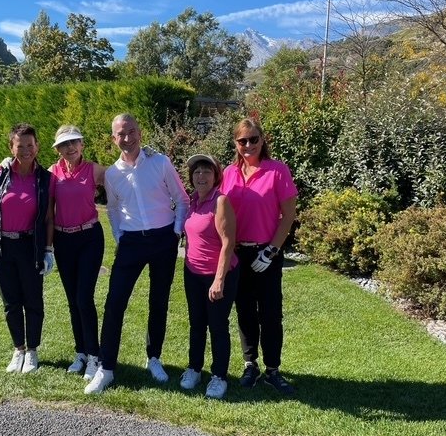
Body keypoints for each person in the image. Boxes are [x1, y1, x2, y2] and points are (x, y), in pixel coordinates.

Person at [84, 113, 190, 394]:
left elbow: (182, 199)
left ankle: (153, 358)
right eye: (121, 134)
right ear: (113, 138)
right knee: (114, 302)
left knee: (159, 300)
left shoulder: (160, 162)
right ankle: (106, 368)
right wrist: (120, 237)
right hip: (131, 242)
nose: (127, 138)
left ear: (140, 133)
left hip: (163, 239)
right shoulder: (112, 174)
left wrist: (176, 232)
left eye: (131, 131)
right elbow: (113, 209)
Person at [220, 117, 298, 395]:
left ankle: (272, 369)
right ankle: (250, 364)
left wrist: (271, 250)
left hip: (267, 252)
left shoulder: (277, 170)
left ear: (262, 140)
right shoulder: (228, 173)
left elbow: (289, 215)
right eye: (242, 140)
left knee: (270, 313)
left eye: (254, 139)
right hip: (238, 253)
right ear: (235, 143)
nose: (248, 145)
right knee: (244, 311)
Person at [0, 123, 54, 374]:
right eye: (20, 146)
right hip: (2, 247)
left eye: (30, 145)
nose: (26, 150)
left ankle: (32, 350)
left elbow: (49, 218)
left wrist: (48, 250)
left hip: (30, 246)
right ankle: (18, 349)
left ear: (37, 146)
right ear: (11, 147)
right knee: (11, 302)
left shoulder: (45, 178)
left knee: (33, 300)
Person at [48, 125, 106, 381]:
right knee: (73, 299)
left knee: (84, 297)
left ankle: (94, 355)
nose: (69, 148)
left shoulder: (94, 170)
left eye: (74, 142)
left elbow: (125, 176)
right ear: (58, 149)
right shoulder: (52, 173)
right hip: (63, 241)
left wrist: (144, 158)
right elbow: (47, 210)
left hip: (89, 238)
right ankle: (80, 352)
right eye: (64, 144)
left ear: (82, 144)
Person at [180, 154, 239, 400]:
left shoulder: (220, 201)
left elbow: (228, 243)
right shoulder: (193, 200)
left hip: (218, 274)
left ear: (216, 176)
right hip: (192, 273)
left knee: (217, 325)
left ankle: (219, 376)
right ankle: (194, 368)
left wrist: (219, 279)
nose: (201, 176)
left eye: (207, 171)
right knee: (196, 323)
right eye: (197, 172)